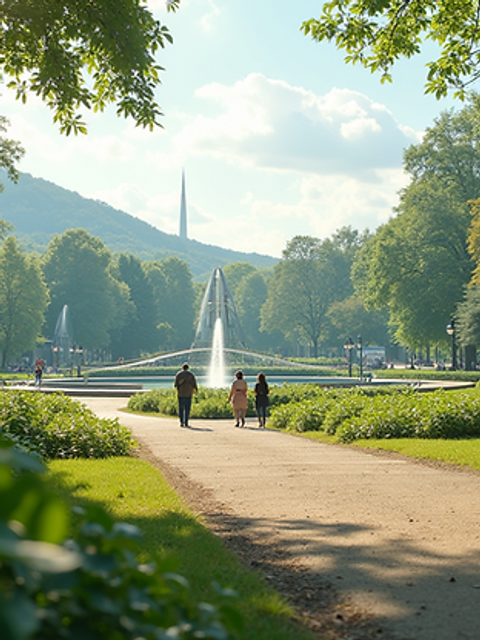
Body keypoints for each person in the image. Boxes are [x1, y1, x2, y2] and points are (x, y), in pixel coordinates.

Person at [174, 363, 198, 427]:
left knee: (181, 408)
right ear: (188, 368)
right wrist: (195, 392)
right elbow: (194, 385)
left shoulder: (179, 375)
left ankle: (181, 422)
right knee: (187, 408)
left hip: (181, 393)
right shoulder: (191, 375)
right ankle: (186, 422)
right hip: (188, 394)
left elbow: (175, 385)